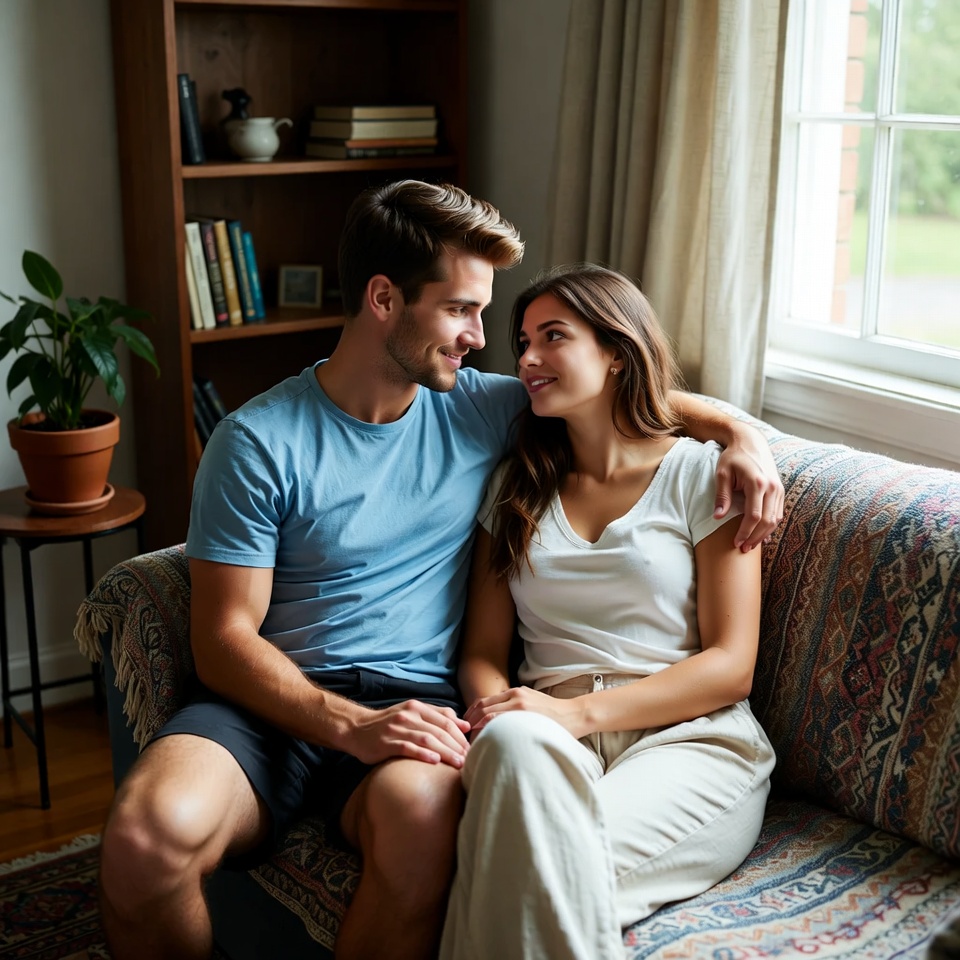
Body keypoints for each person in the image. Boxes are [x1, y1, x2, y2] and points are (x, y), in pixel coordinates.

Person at [97, 182, 783, 960]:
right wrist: (351, 727)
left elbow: (620, 391)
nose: (484, 341)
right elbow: (223, 640)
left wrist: (740, 433)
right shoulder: (257, 441)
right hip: (266, 711)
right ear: (384, 298)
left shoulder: (482, 407)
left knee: (425, 827)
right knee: (145, 842)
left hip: (415, 707)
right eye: (462, 310)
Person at [440, 264, 777, 960]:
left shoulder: (700, 474)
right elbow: (481, 650)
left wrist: (573, 714)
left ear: (617, 352)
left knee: (529, 864)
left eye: (553, 337)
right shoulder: (515, 486)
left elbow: (729, 666)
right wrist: (499, 710)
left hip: (686, 739)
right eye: (523, 340)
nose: (527, 358)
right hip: (540, 737)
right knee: (509, 747)